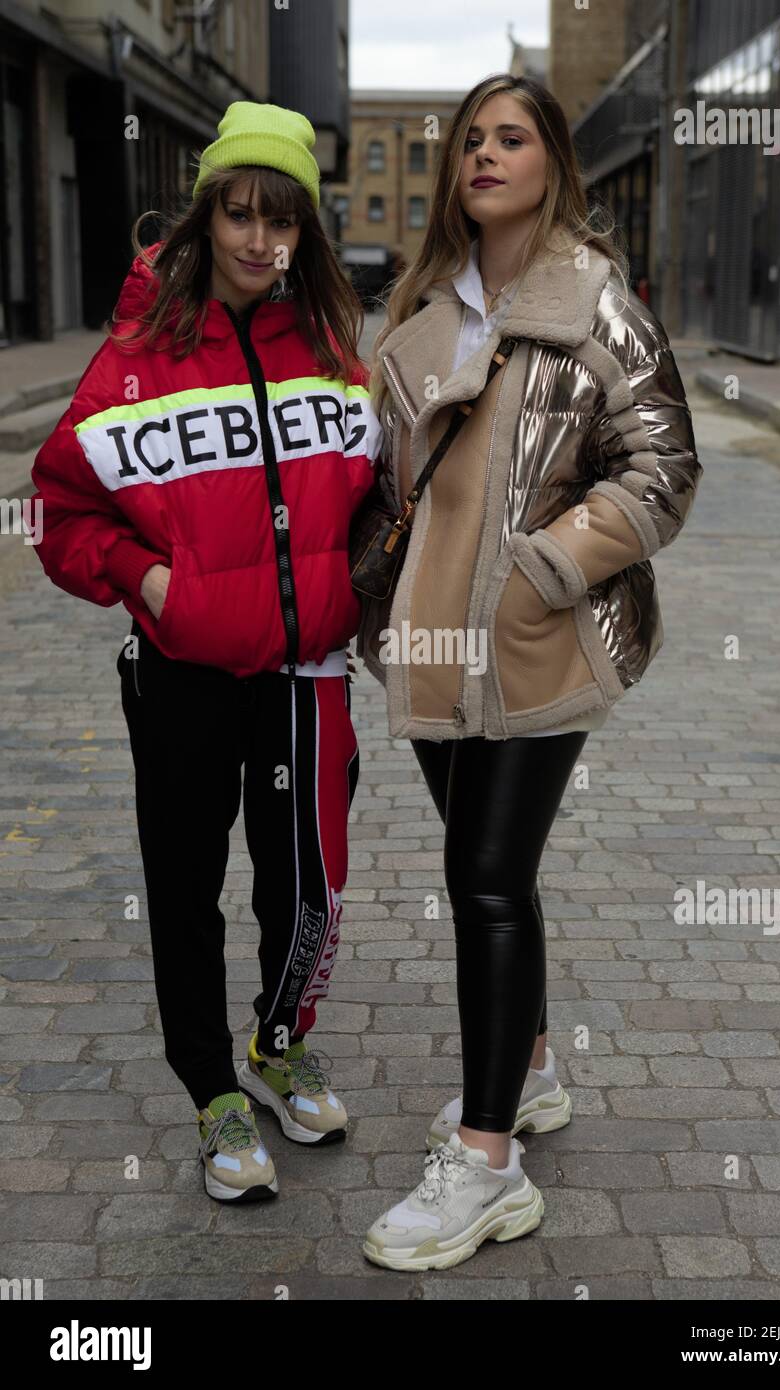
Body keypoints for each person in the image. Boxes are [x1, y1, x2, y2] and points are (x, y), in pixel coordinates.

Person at [356, 74, 702, 1271]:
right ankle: (534, 1063)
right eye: (469, 141)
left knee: (485, 875)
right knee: (487, 877)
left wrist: (546, 564)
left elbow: (661, 463)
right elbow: (392, 486)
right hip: (433, 653)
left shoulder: (594, 299)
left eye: (511, 138)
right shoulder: (419, 314)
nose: (483, 156)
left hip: (533, 639)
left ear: (553, 160)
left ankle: (488, 1161)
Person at [29, 102, 382, 1204]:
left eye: (280, 220)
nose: (257, 241)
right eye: (237, 212)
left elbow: (374, 502)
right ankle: (210, 1088)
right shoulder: (137, 357)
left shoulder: (330, 348)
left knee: (307, 883)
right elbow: (61, 509)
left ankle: (281, 1043)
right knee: (186, 888)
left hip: (301, 679)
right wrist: (145, 579)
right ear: (205, 215)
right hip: (181, 674)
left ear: (303, 235)